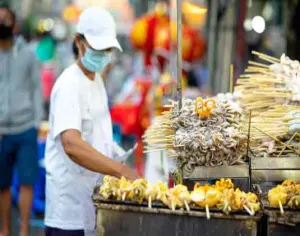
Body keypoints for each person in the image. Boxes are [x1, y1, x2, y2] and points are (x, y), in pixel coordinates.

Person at [44, 7, 139, 236]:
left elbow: (96, 132)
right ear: (79, 42)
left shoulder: (95, 80)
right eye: (98, 48)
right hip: (69, 212)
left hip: (91, 202)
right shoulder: (69, 85)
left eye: (107, 49)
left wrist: (116, 154)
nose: (104, 54)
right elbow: (72, 144)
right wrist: (119, 170)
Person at [0, 5, 43, 236]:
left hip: (25, 127)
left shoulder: (27, 54)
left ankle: (24, 230)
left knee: (27, 182)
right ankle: (5, 230)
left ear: (14, 24)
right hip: (0, 131)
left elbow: (36, 88)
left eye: (5, 20)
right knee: (2, 184)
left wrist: (36, 123)